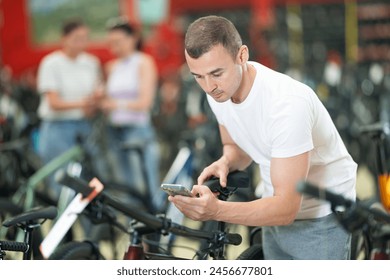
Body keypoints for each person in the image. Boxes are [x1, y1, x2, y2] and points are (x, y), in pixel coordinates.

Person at [169, 15, 357, 260]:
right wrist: (226, 161)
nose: (208, 86)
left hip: (321, 218)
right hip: (271, 213)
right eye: (198, 76)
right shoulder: (219, 93)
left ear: (242, 55)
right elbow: (235, 146)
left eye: (216, 73)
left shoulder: (287, 104)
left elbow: (286, 208)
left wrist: (216, 211)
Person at [101, 21, 162, 212]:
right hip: (114, 130)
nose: (115, 47)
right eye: (111, 42)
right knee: (123, 186)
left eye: (119, 41)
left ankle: (154, 234)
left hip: (137, 130)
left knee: (144, 185)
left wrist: (115, 104)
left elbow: (145, 102)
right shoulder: (111, 66)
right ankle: (134, 236)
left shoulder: (143, 62)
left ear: (133, 39)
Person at [37, 19, 102, 198]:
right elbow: (53, 102)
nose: (81, 43)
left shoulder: (91, 62)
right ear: (64, 38)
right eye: (76, 38)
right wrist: (84, 103)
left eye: (85, 38)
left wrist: (94, 102)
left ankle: (93, 226)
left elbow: (96, 92)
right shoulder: (51, 63)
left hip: (85, 126)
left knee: (90, 183)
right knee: (62, 186)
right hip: (58, 129)